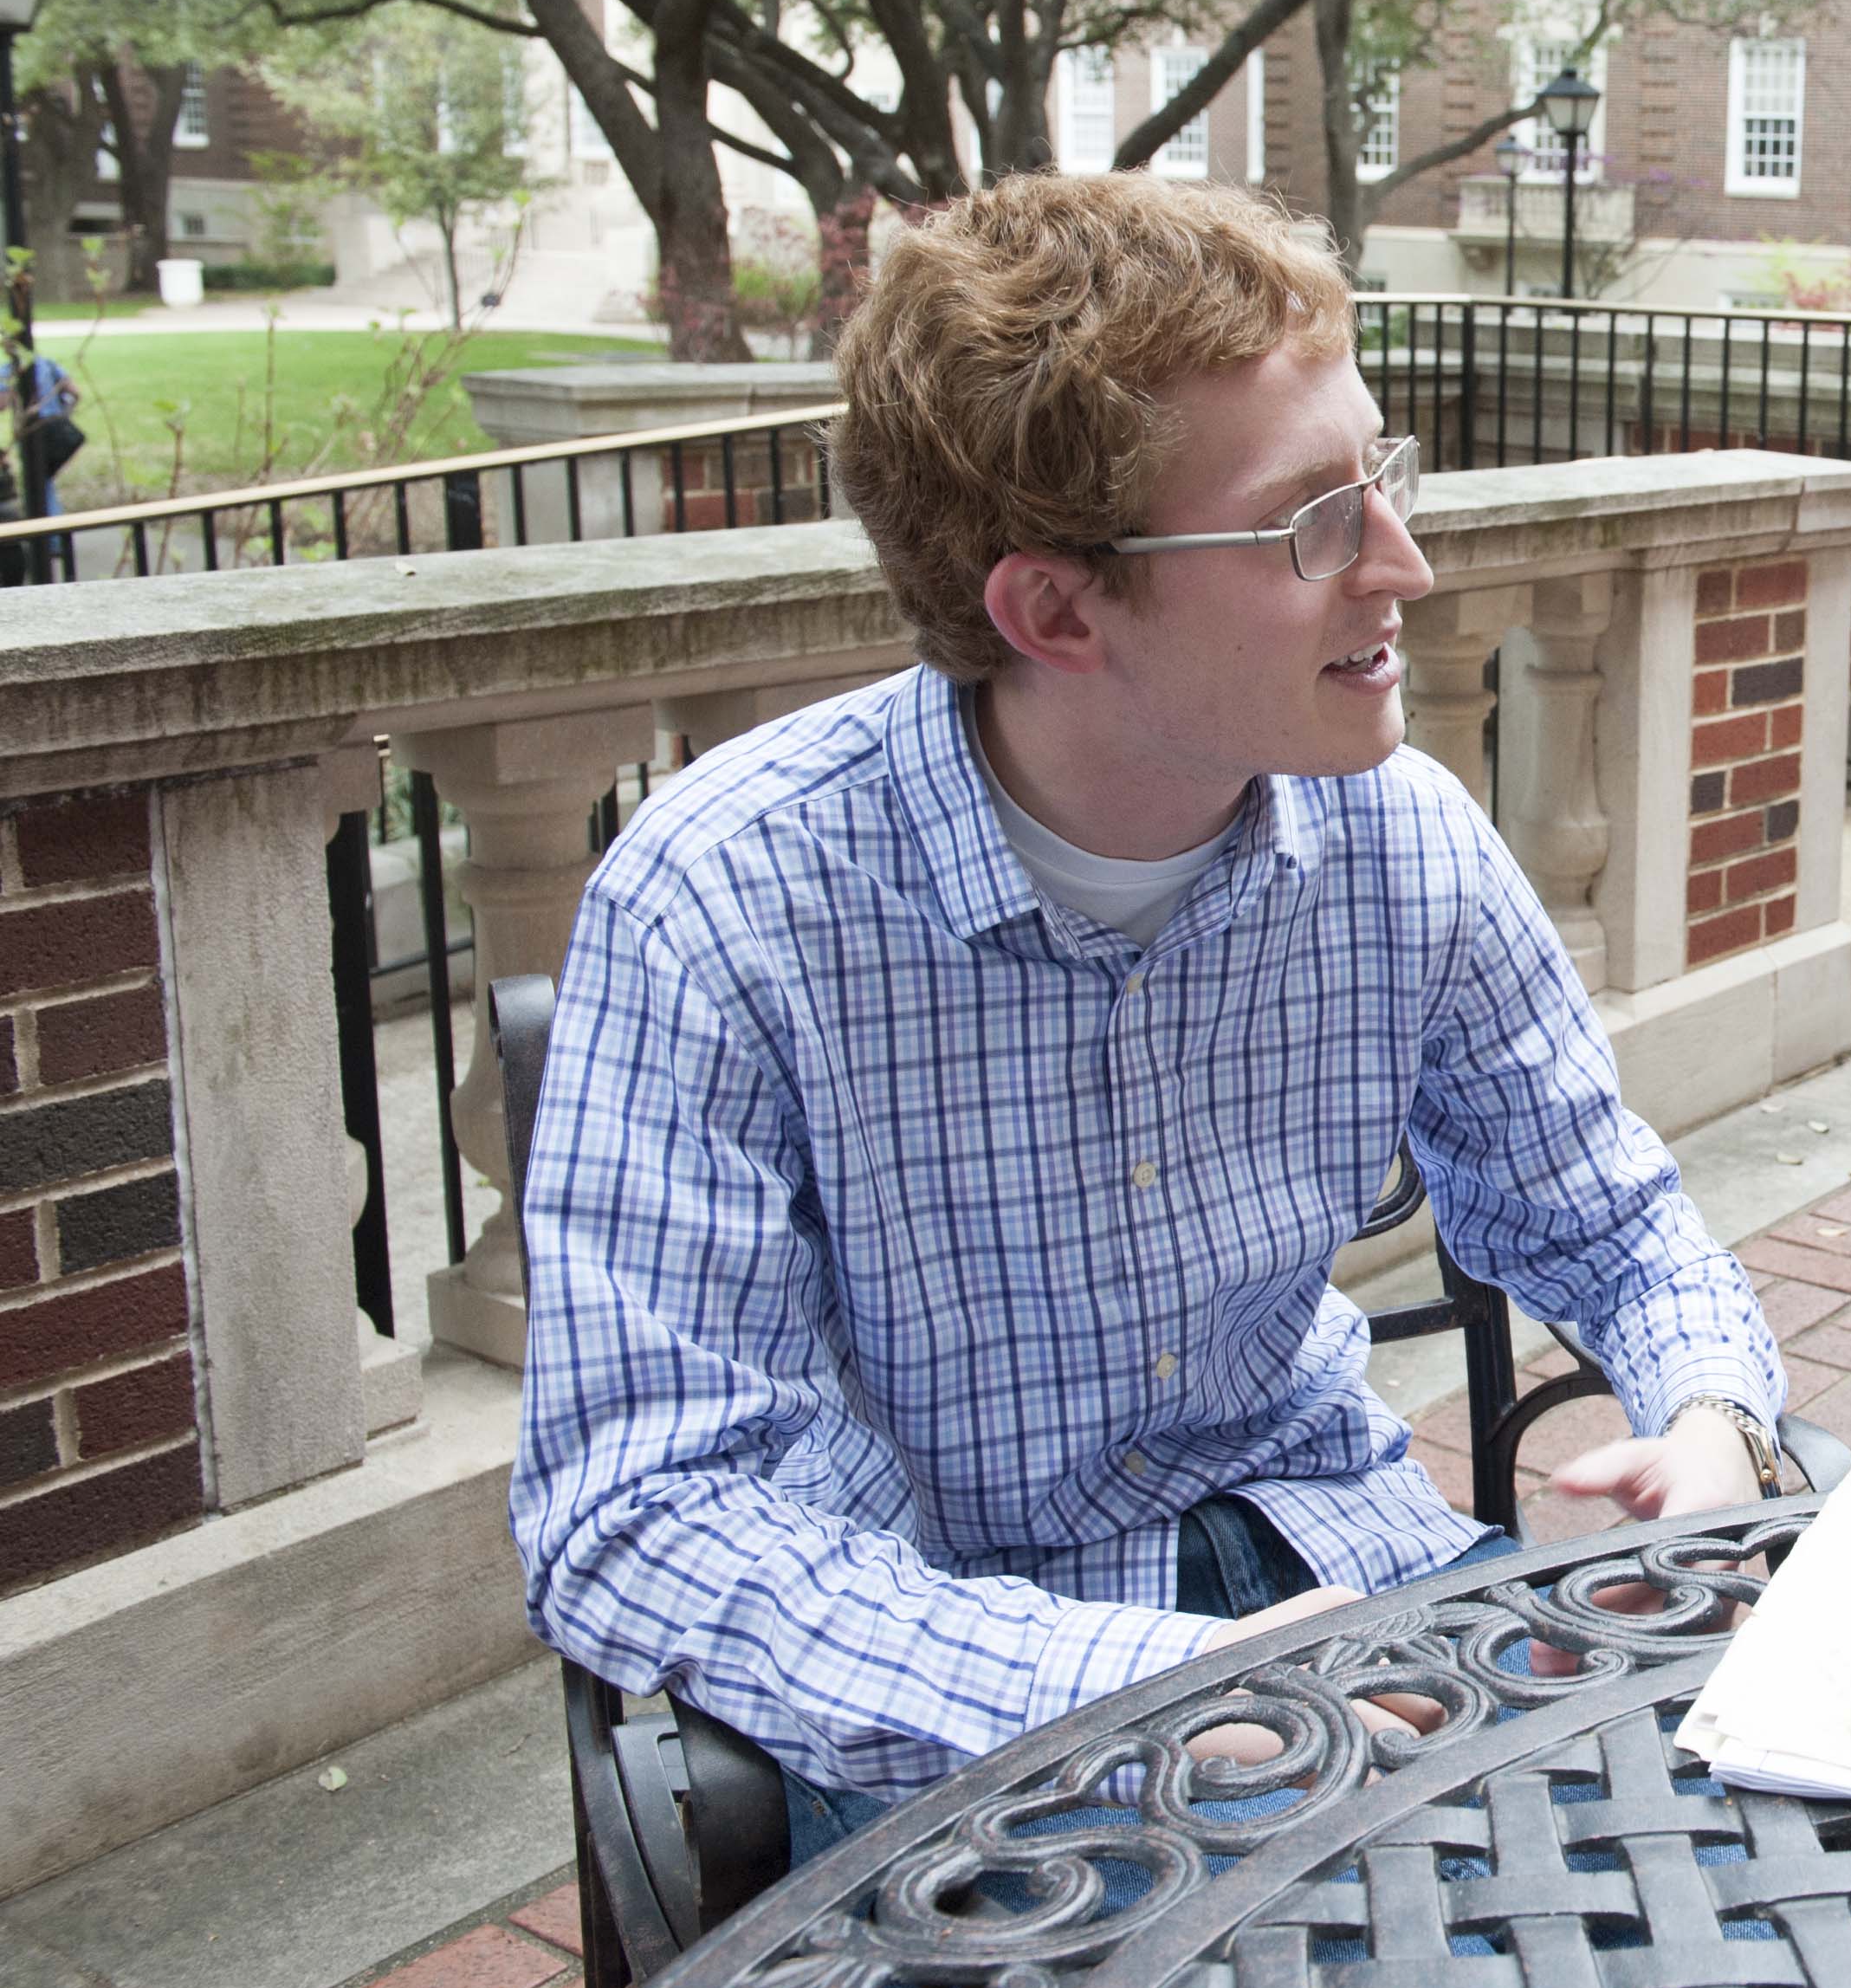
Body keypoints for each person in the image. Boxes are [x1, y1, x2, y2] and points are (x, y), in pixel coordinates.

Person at [510, 172, 1786, 1860]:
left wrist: (1713, 1421)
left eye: (1382, 478)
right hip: (975, 1719)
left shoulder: (1401, 839)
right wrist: (1131, 1693)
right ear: (1054, 610)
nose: (1405, 563)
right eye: (1313, 522)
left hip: (1366, 1601)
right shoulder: (727, 905)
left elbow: (1613, 1220)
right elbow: (639, 1514)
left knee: (1763, 1899)